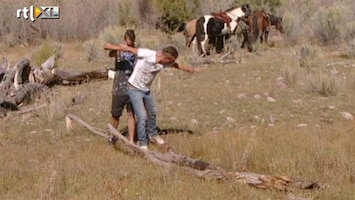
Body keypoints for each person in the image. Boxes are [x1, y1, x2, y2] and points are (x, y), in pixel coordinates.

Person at [104, 43, 199, 150]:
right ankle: (143, 143)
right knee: (142, 116)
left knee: (153, 112)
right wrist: (111, 47)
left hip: (145, 90)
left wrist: (191, 70)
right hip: (134, 89)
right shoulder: (148, 54)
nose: (171, 63)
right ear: (165, 57)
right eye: (171, 60)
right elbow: (128, 49)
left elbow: (177, 65)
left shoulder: (165, 63)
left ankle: (153, 135)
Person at [105, 29, 137, 144]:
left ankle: (132, 140)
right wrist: (119, 48)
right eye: (127, 40)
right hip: (119, 87)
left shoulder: (135, 51)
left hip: (132, 88)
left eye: (131, 41)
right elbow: (109, 51)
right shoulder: (119, 50)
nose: (129, 42)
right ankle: (112, 136)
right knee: (115, 115)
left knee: (131, 114)